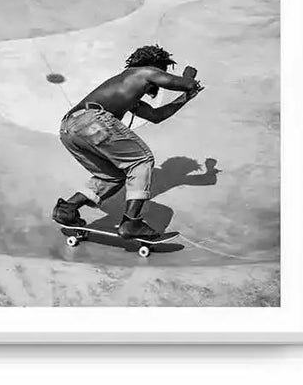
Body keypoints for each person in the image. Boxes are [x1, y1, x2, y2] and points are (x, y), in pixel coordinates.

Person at [53, 44, 200, 241]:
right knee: (141, 160)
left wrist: (185, 98)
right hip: (92, 121)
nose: (158, 81)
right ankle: (131, 223)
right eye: (162, 72)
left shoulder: (127, 88)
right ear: (155, 65)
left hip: (69, 128)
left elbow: (156, 116)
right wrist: (188, 77)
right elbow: (186, 83)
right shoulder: (145, 71)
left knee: (112, 177)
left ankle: (67, 209)